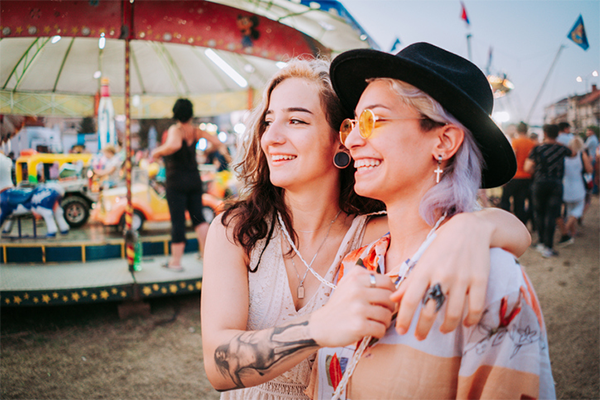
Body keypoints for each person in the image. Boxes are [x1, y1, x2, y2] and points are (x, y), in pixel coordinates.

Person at [201, 57, 531, 399]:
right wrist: (318, 328)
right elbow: (216, 364)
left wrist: (474, 226)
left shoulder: (374, 239)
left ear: (339, 140)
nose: (271, 138)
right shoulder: (240, 230)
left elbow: (512, 233)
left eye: (296, 120)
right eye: (268, 122)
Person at [307, 42, 554, 400]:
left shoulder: (489, 278)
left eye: (372, 120)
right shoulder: (358, 263)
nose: (353, 141)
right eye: (353, 124)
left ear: (444, 140)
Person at [150, 98, 223, 271]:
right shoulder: (195, 131)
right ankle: (207, 257)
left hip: (176, 182)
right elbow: (218, 142)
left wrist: (157, 152)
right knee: (199, 218)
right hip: (193, 180)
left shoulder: (176, 129)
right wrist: (207, 151)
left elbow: (174, 145)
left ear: (175, 113)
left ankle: (175, 263)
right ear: (191, 114)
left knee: (178, 222)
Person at [525, 124, 572, 258]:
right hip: (556, 184)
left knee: (539, 213)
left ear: (544, 133)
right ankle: (548, 247)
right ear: (557, 134)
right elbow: (573, 153)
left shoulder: (537, 149)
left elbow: (527, 167)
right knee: (552, 215)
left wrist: (538, 172)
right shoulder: (561, 148)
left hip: (539, 183)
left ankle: (540, 242)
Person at [557, 137, 593, 245]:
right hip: (578, 185)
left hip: (566, 186)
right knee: (578, 209)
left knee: (569, 210)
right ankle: (566, 229)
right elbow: (589, 169)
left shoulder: (563, 155)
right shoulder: (581, 154)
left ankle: (572, 231)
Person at [499, 121, 536, 226]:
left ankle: (506, 223)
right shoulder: (532, 143)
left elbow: (511, 159)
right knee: (520, 203)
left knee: (505, 200)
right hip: (527, 177)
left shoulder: (515, 142)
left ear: (517, 130)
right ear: (527, 130)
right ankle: (521, 224)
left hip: (515, 176)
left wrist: (504, 177)